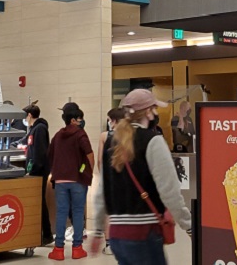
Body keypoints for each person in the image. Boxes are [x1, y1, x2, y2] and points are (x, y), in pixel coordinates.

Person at [89, 89, 193, 264]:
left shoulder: (111, 143)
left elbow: (102, 193)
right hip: (144, 233)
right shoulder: (153, 141)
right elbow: (169, 191)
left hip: (117, 235)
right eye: (154, 108)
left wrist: (98, 230)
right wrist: (189, 226)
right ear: (148, 112)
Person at [47, 102, 93, 261]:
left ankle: (58, 249)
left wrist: (56, 172)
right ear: (73, 120)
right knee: (78, 212)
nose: (81, 121)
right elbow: (89, 154)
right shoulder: (80, 134)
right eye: (79, 119)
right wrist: (87, 171)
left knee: (61, 213)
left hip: (60, 180)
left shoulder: (57, 135)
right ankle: (77, 248)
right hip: (77, 180)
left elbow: (50, 156)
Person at [23, 104, 54, 246]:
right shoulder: (34, 129)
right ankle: (42, 234)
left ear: (29, 115)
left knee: (40, 202)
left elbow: (40, 153)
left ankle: (47, 234)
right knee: (38, 202)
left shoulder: (39, 129)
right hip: (36, 171)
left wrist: (33, 170)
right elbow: (26, 142)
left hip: (39, 172)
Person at [98, 107, 127, 256]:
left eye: (109, 120)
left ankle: (109, 244)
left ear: (114, 121)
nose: (109, 123)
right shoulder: (128, 136)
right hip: (124, 179)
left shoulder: (104, 136)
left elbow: (99, 161)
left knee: (108, 212)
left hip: (109, 179)